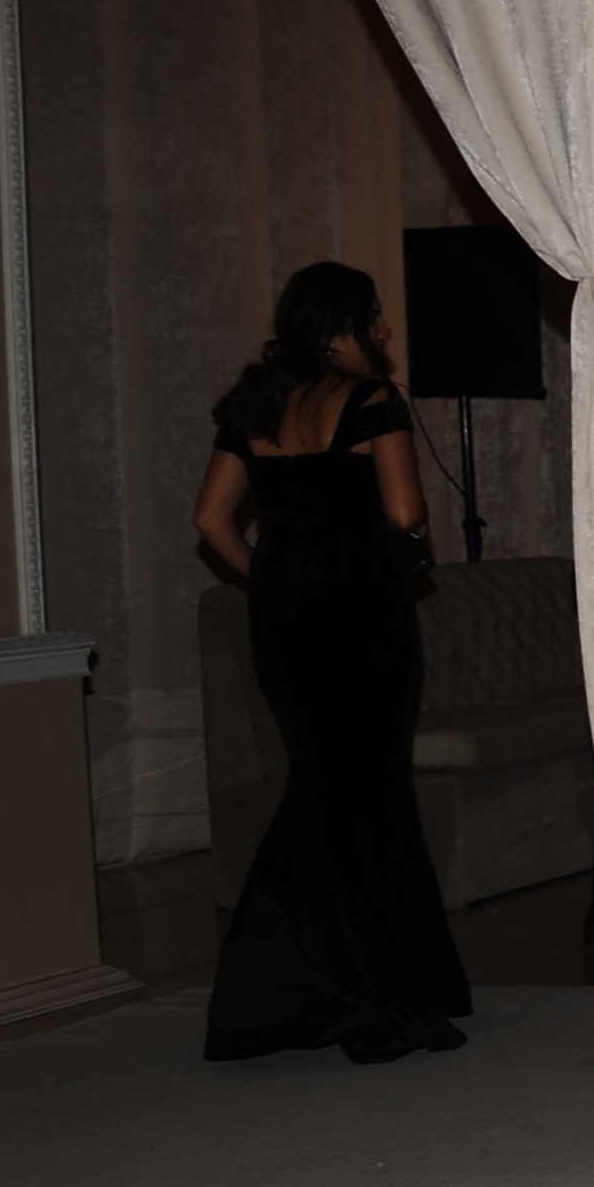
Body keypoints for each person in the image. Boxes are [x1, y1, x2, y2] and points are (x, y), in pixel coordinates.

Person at [190, 262, 472, 1064]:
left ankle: (324, 984)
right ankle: (349, 993)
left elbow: (210, 520)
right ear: (338, 325)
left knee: (328, 787)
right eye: (371, 316)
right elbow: (405, 509)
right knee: (364, 792)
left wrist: (272, 579)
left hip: (284, 615)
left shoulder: (254, 402)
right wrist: (400, 546)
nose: (383, 329)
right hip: (361, 608)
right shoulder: (371, 399)